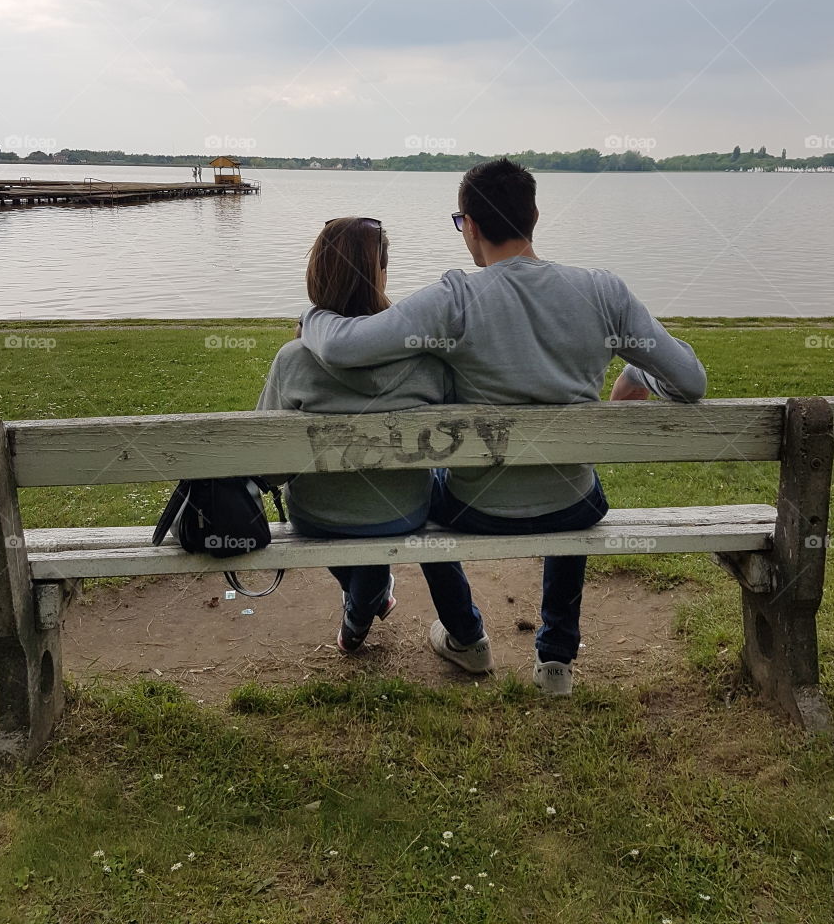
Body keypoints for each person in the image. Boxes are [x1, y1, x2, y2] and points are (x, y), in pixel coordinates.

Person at [299, 159, 707, 695]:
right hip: (572, 504)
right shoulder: (603, 292)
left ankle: (466, 636)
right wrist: (637, 374)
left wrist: (312, 318)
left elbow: (344, 347)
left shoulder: (455, 301)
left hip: (476, 509)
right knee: (569, 480)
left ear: (469, 225)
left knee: (424, 492)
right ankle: (555, 659)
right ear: (533, 215)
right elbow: (689, 380)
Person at [256, 217, 490, 664]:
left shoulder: (292, 360)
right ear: (380, 273)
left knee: (355, 504)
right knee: (406, 497)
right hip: (404, 512)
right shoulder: (425, 360)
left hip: (316, 517)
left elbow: (268, 464)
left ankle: (361, 610)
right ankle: (457, 629)